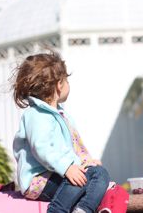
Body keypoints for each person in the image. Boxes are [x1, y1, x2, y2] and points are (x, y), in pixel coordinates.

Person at [12, 53, 110, 213]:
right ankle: (57, 210)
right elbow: (41, 147)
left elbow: (72, 146)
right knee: (82, 180)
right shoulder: (36, 115)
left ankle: (83, 209)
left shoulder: (58, 113)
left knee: (99, 174)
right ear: (59, 84)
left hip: (57, 174)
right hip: (40, 179)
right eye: (67, 80)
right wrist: (66, 168)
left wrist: (87, 162)